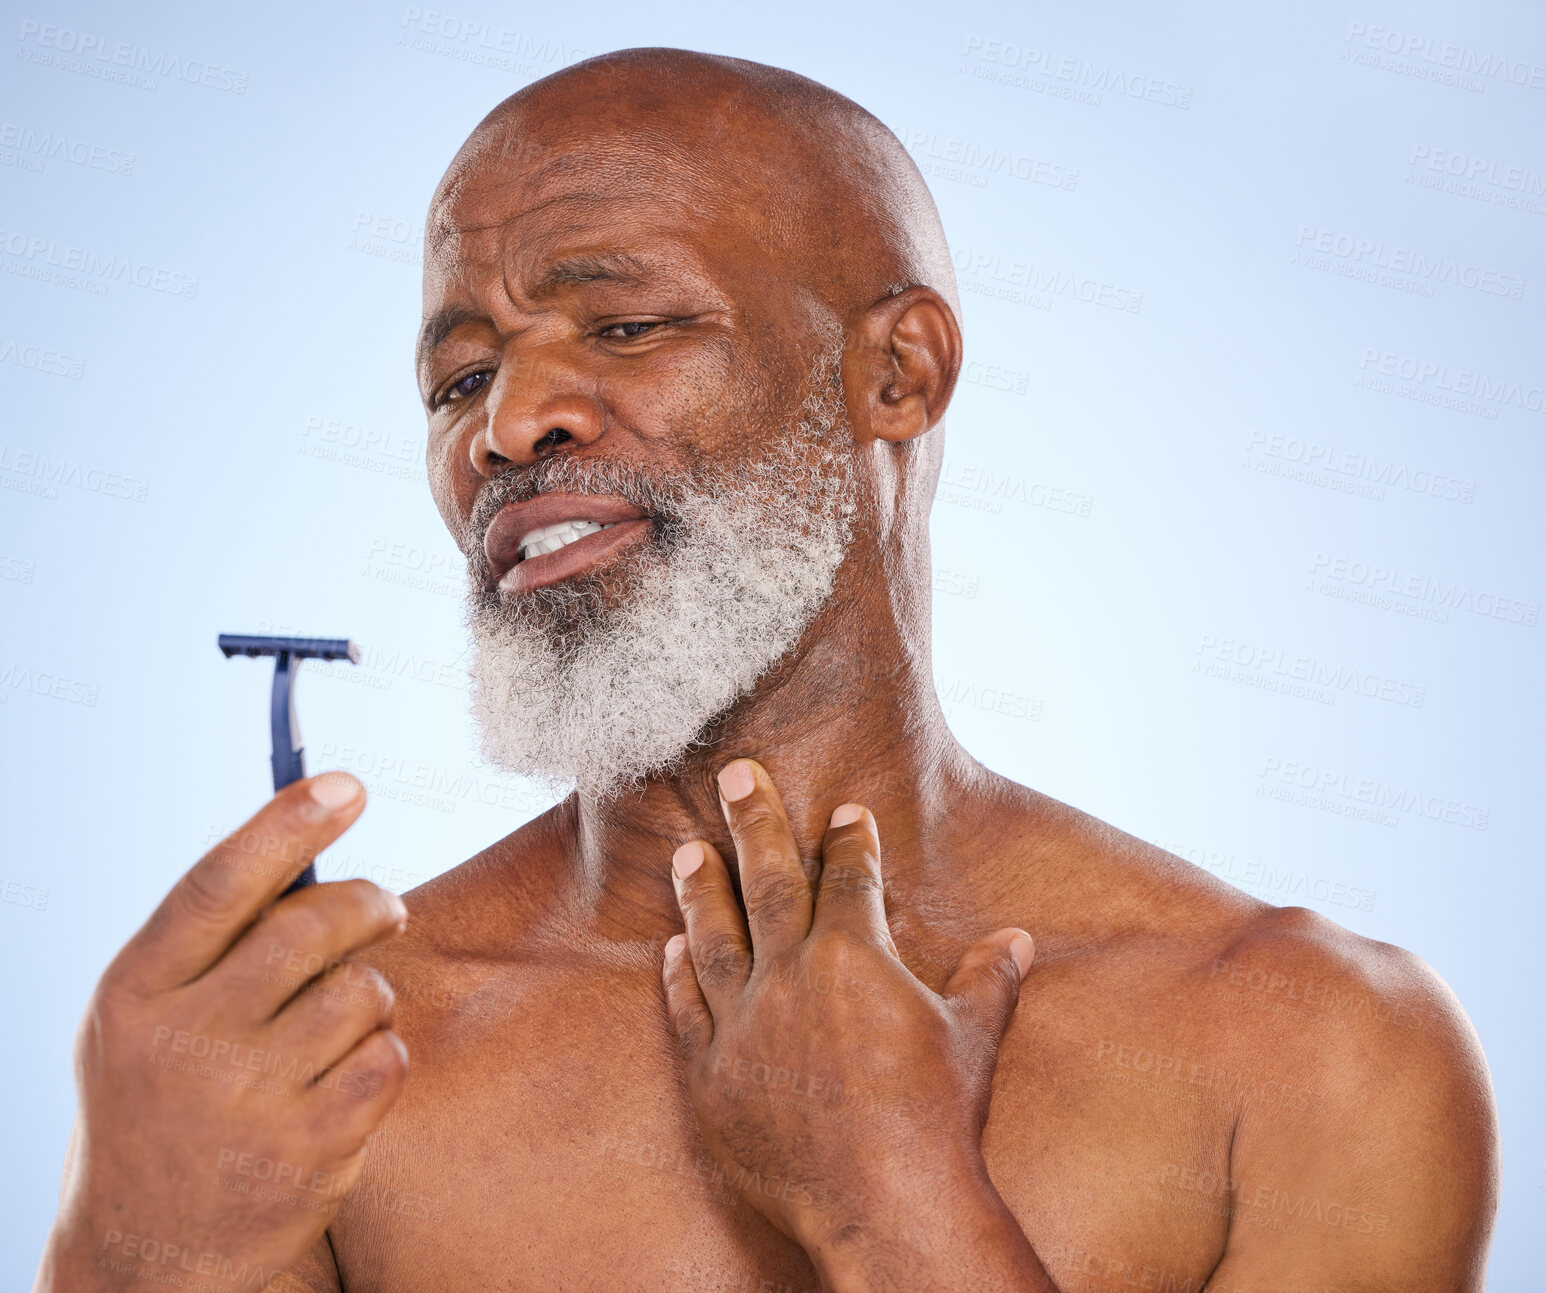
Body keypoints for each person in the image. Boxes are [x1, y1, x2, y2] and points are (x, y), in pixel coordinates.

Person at [35, 48, 1498, 1293]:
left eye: (623, 325)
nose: (510, 422)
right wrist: (121, 1246)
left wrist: (896, 1209)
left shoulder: (1314, 1051)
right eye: (460, 377)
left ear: (897, 374)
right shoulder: (324, 1075)